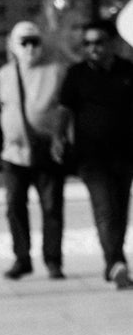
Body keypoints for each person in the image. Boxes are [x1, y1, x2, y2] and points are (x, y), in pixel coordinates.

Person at [59, 18, 133, 288]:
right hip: (91, 157)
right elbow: (64, 110)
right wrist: (58, 139)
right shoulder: (76, 74)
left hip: (124, 155)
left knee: (121, 212)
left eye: (99, 42)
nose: (93, 48)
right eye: (87, 43)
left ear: (111, 43)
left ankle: (115, 261)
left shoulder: (128, 71)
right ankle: (116, 263)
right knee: (104, 210)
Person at [0, 20, 69, 280]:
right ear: (12, 46)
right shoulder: (4, 74)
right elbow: (0, 110)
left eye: (34, 41)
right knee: (14, 206)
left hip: (46, 150)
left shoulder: (56, 71)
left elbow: (66, 109)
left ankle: (53, 261)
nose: (29, 48)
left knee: (51, 208)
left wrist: (62, 139)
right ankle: (22, 258)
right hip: (13, 153)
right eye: (23, 42)